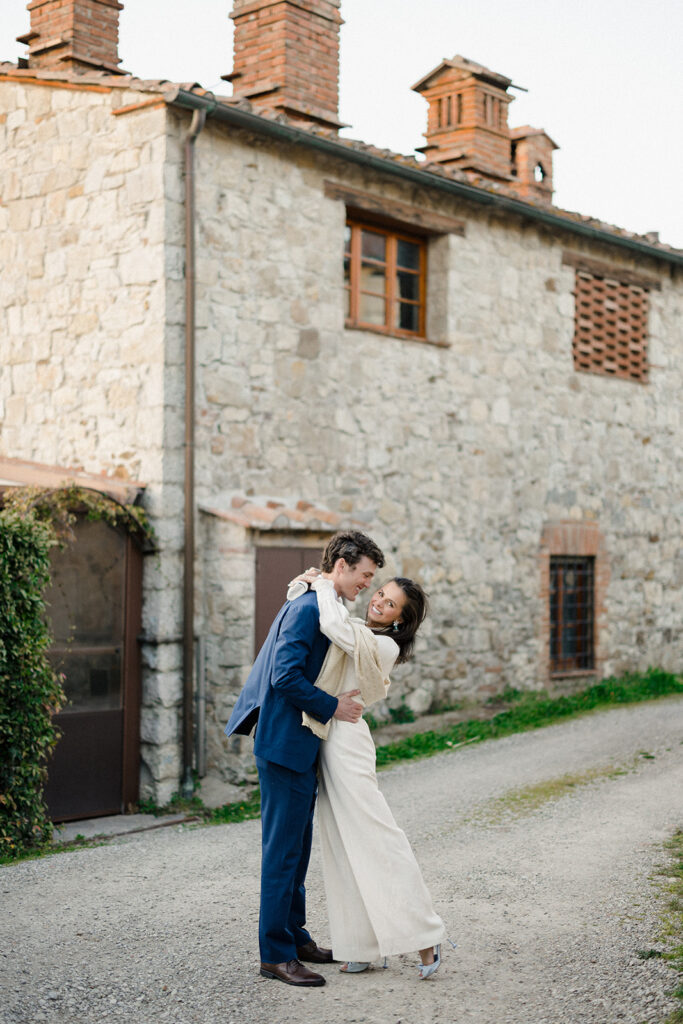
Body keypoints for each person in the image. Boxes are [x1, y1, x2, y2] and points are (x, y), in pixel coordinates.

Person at [224, 530, 385, 987]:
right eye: (364, 575)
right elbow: (284, 677)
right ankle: (275, 955)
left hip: (299, 746)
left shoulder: (321, 602)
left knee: (297, 852)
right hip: (284, 746)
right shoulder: (309, 608)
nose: (367, 585)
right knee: (282, 854)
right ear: (342, 565)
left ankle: (296, 939)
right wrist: (334, 707)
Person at [286, 568, 446, 979]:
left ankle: (426, 937)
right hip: (326, 739)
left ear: (399, 620)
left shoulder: (383, 645)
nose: (378, 602)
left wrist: (325, 584)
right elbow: (312, 610)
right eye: (380, 593)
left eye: (390, 604)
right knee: (341, 844)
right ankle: (363, 944)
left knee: (377, 838)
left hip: (349, 745)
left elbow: (332, 625)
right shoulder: (358, 626)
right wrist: (307, 582)